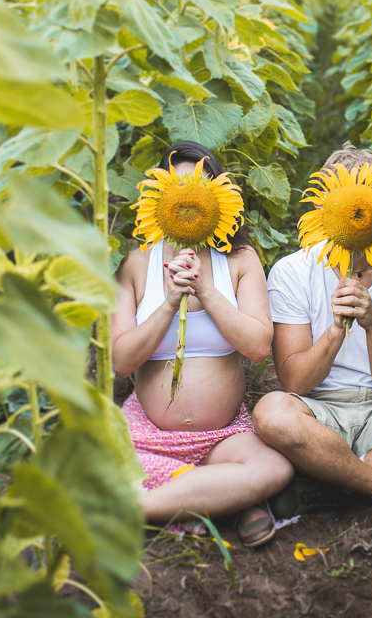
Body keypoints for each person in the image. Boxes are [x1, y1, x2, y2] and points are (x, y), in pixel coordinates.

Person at [111, 141, 293, 547]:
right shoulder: (137, 263)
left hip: (222, 439)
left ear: (219, 196)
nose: (188, 197)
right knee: (95, 459)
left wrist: (206, 291)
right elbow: (121, 362)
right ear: (158, 194)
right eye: (177, 186)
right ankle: (225, 498)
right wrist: (170, 303)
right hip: (146, 437)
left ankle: (139, 508)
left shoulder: (240, 261)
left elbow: (259, 347)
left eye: (201, 186)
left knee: (273, 468)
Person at [252, 144, 372, 521]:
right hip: (319, 414)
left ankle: (332, 484)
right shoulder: (292, 272)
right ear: (322, 208)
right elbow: (295, 383)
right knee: (272, 412)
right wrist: (336, 330)